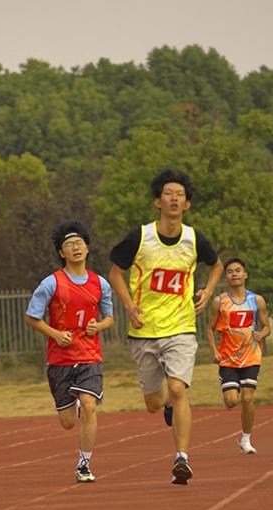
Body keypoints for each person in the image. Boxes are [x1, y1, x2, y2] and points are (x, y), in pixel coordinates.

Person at [108, 169, 223, 485]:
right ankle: (168, 407)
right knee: (154, 403)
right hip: (145, 329)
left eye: (180, 194)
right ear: (157, 201)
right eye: (168, 193)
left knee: (177, 388)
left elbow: (217, 266)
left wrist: (208, 291)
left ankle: (182, 458)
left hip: (181, 326)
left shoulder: (194, 239)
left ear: (187, 204)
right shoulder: (140, 237)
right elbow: (115, 273)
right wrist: (130, 305)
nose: (175, 198)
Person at [26, 221, 114, 482]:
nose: (76, 248)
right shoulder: (51, 283)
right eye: (69, 245)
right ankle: (73, 402)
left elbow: (109, 318)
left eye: (80, 243)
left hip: (89, 355)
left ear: (87, 248)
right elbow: (32, 317)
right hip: (60, 359)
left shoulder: (100, 283)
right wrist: (55, 334)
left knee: (89, 406)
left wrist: (98, 325)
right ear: (61, 253)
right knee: (67, 422)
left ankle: (84, 465)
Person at [205, 258, 271, 455]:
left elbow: (266, 326)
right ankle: (229, 393)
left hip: (251, 356)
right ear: (226, 277)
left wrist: (262, 333)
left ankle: (246, 439)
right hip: (228, 358)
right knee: (232, 401)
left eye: (238, 270)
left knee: (248, 399)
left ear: (245, 275)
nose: (234, 274)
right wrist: (214, 351)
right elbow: (209, 328)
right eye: (230, 271)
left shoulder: (257, 300)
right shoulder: (220, 302)